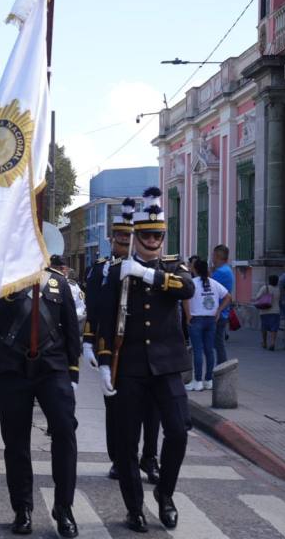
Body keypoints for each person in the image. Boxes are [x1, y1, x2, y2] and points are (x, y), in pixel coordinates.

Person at [97, 186, 194, 532]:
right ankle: (133, 507)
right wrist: (104, 362)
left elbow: (187, 289)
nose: (154, 240)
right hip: (132, 368)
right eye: (148, 234)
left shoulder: (172, 266)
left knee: (179, 431)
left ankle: (165, 494)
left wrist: (149, 275)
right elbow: (104, 319)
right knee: (126, 442)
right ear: (136, 235)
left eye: (159, 234)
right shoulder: (117, 273)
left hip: (167, 366)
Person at [0, 259, 81, 538]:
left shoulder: (58, 282)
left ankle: (64, 508)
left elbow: (70, 327)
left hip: (52, 368)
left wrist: (73, 372)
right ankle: (22, 508)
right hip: (13, 368)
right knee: (16, 441)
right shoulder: (0, 281)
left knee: (65, 432)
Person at [83, 211, 161, 485]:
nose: (126, 240)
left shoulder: (152, 267)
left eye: (131, 235)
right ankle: (118, 458)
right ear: (113, 237)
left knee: (152, 410)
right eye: (122, 236)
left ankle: (150, 458)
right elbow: (94, 309)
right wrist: (89, 342)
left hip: (149, 351)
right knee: (116, 409)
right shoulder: (103, 269)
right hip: (116, 350)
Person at [185, 258, 231, 392]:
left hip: (196, 319)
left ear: (195, 269)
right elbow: (228, 297)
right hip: (211, 320)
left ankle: (197, 381)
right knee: (209, 350)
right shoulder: (214, 283)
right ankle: (208, 380)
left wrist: (188, 316)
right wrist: (218, 310)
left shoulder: (192, 283)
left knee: (197, 350)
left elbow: (185, 301)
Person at [210, 244, 235, 363]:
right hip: (222, 312)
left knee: (217, 343)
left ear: (217, 256)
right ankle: (221, 366)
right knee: (217, 343)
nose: (212, 259)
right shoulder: (227, 270)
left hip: (218, 313)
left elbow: (209, 287)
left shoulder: (220, 272)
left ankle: (221, 367)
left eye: (213, 256)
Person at [254, 274, 282, 350]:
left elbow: (257, 297)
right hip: (276, 311)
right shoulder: (278, 289)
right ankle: (272, 343)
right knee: (274, 328)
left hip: (264, 311)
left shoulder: (265, 288)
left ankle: (264, 342)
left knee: (264, 327)